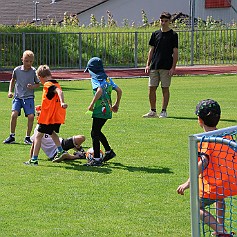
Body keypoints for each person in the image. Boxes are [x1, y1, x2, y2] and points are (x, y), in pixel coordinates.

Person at [177, 99, 236, 237]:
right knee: (220, 199)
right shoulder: (225, 135)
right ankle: (219, 228)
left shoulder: (205, 140)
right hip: (228, 184)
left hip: (214, 186)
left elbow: (202, 163)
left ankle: (222, 232)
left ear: (199, 120)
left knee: (196, 208)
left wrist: (188, 183)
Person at [24, 65, 68, 165]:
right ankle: (61, 151)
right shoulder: (56, 83)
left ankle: (34, 159)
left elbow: (59, 91)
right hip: (53, 117)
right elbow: (52, 98)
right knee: (52, 133)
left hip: (47, 118)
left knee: (38, 136)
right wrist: (43, 107)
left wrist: (62, 102)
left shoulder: (47, 84)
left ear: (40, 77)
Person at [84, 57, 122, 166]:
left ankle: (96, 159)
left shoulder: (95, 79)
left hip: (99, 110)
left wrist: (91, 104)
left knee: (94, 133)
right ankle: (109, 152)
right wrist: (116, 104)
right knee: (97, 131)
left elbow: (99, 90)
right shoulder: (108, 79)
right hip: (108, 110)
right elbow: (119, 90)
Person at [143, 12, 178, 118]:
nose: (163, 23)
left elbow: (175, 52)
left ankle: (163, 111)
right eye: (161, 20)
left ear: (169, 22)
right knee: (151, 88)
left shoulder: (173, 35)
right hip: (154, 65)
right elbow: (151, 50)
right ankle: (153, 111)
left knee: (165, 88)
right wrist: (147, 64)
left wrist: (173, 67)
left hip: (166, 66)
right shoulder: (155, 34)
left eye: (166, 21)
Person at [3, 50, 40, 144]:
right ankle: (12, 136)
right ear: (22, 60)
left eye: (31, 61)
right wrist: (10, 91)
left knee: (31, 116)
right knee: (14, 114)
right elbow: (13, 80)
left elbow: (38, 84)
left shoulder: (33, 71)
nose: (29, 63)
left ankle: (27, 137)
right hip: (18, 97)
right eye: (27, 61)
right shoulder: (17, 70)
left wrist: (33, 86)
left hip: (29, 97)